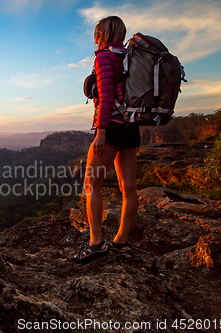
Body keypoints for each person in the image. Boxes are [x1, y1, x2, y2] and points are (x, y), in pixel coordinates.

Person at [76, 16, 140, 263]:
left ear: (102, 33)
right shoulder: (130, 55)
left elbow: (106, 96)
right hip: (131, 126)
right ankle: (121, 241)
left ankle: (95, 243)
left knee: (91, 185)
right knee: (129, 188)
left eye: (97, 31)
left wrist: (101, 132)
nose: (95, 35)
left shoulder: (105, 57)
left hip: (111, 127)